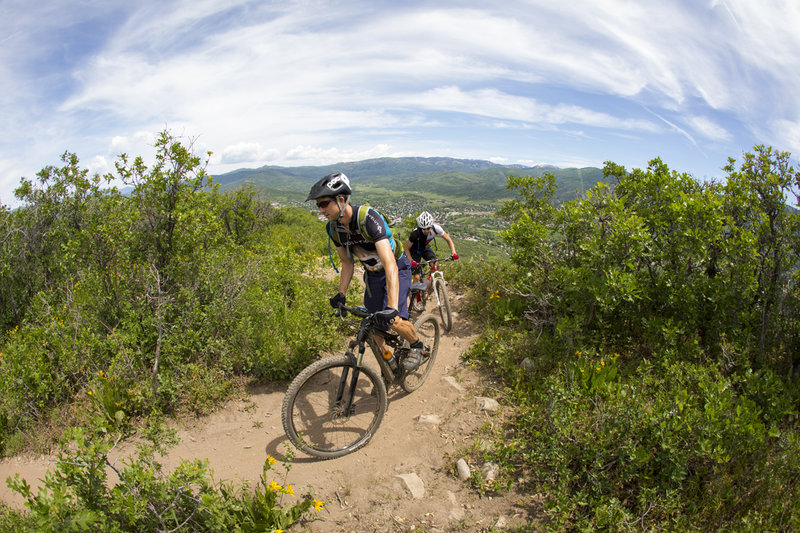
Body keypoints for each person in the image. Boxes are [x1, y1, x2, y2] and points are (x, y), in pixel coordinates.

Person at [307, 172, 426, 370]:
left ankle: (417, 345)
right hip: (372, 274)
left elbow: (390, 264)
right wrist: (341, 294)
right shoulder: (334, 229)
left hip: (397, 268)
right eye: (318, 205)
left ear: (341, 199)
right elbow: (347, 262)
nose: (321, 210)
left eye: (324, 204)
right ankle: (390, 365)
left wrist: (391, 307)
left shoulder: (368, 218)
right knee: (373, 327)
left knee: (394, 320)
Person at [404, 211, 459, 284]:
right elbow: (406, 248)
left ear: (431, 225)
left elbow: (448, 240)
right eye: (424, 229)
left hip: (425, 247)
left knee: (435, 264)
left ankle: (431, 284)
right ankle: (414, 294)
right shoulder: (415, 234)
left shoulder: (436, 228)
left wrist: (454, 253)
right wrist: (411, 261)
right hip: (415, 250)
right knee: (417, 277)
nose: (426, 230)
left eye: (428, 228)